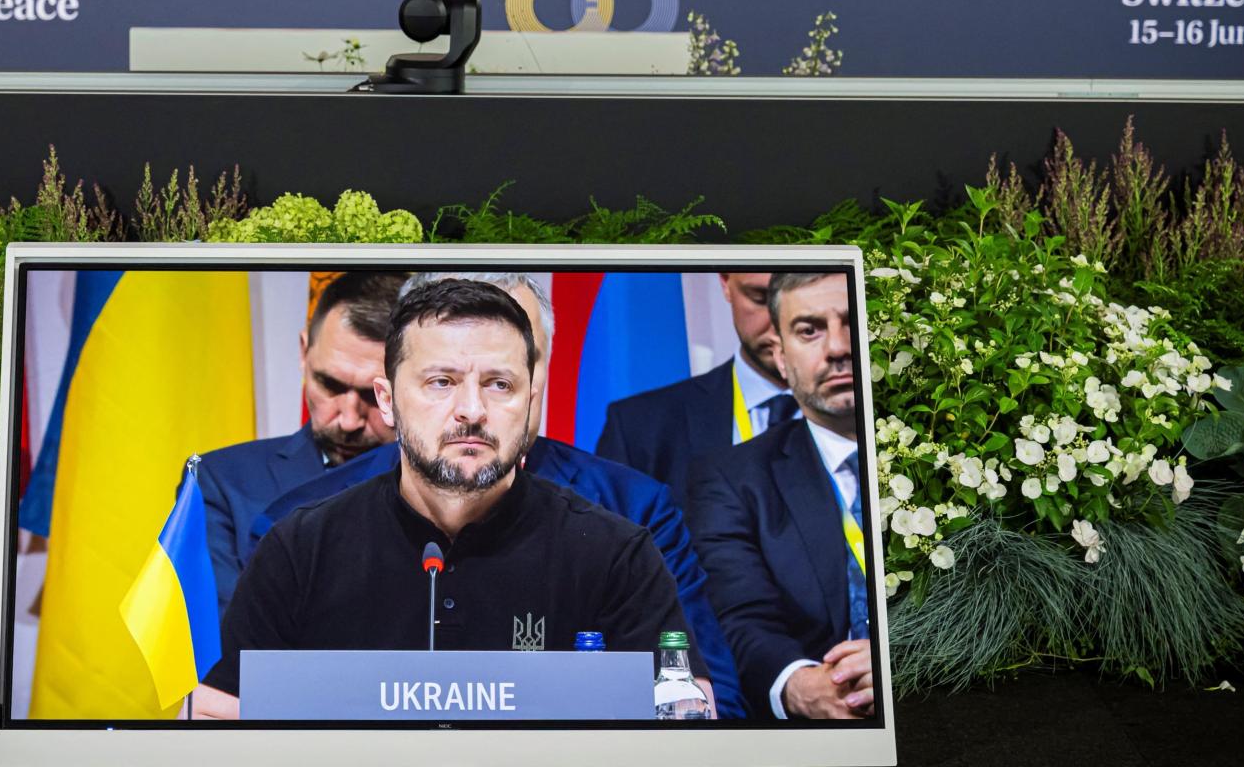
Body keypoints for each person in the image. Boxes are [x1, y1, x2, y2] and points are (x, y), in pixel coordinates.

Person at [195, 279, 703, 717]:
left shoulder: (615, 554)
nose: (472, 410)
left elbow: (687, 709)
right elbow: (225, 716)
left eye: (499, 384)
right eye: (442, 382)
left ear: (531, 402)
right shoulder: (300, 547)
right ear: (388, 401)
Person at [688, 271, 875, 721]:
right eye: (809, 330)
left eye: (852, 324)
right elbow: (741, 618)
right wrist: (800, 685)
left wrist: (899, 657)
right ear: (782, 358)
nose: (838, 348)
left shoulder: (962, 449)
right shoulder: (732, 479)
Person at [187, 272, 407, 615]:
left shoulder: (458, 485)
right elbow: (230, 640)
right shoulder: (221, 482)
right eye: (330, 385)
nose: (349, 419)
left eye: (374, 395)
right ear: (304, 353)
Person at [597, 272, 795, 517]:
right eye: (760, 297)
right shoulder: (639, 428)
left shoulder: (856, 413)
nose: (780, 324)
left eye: (795, 300)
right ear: (725, 282)